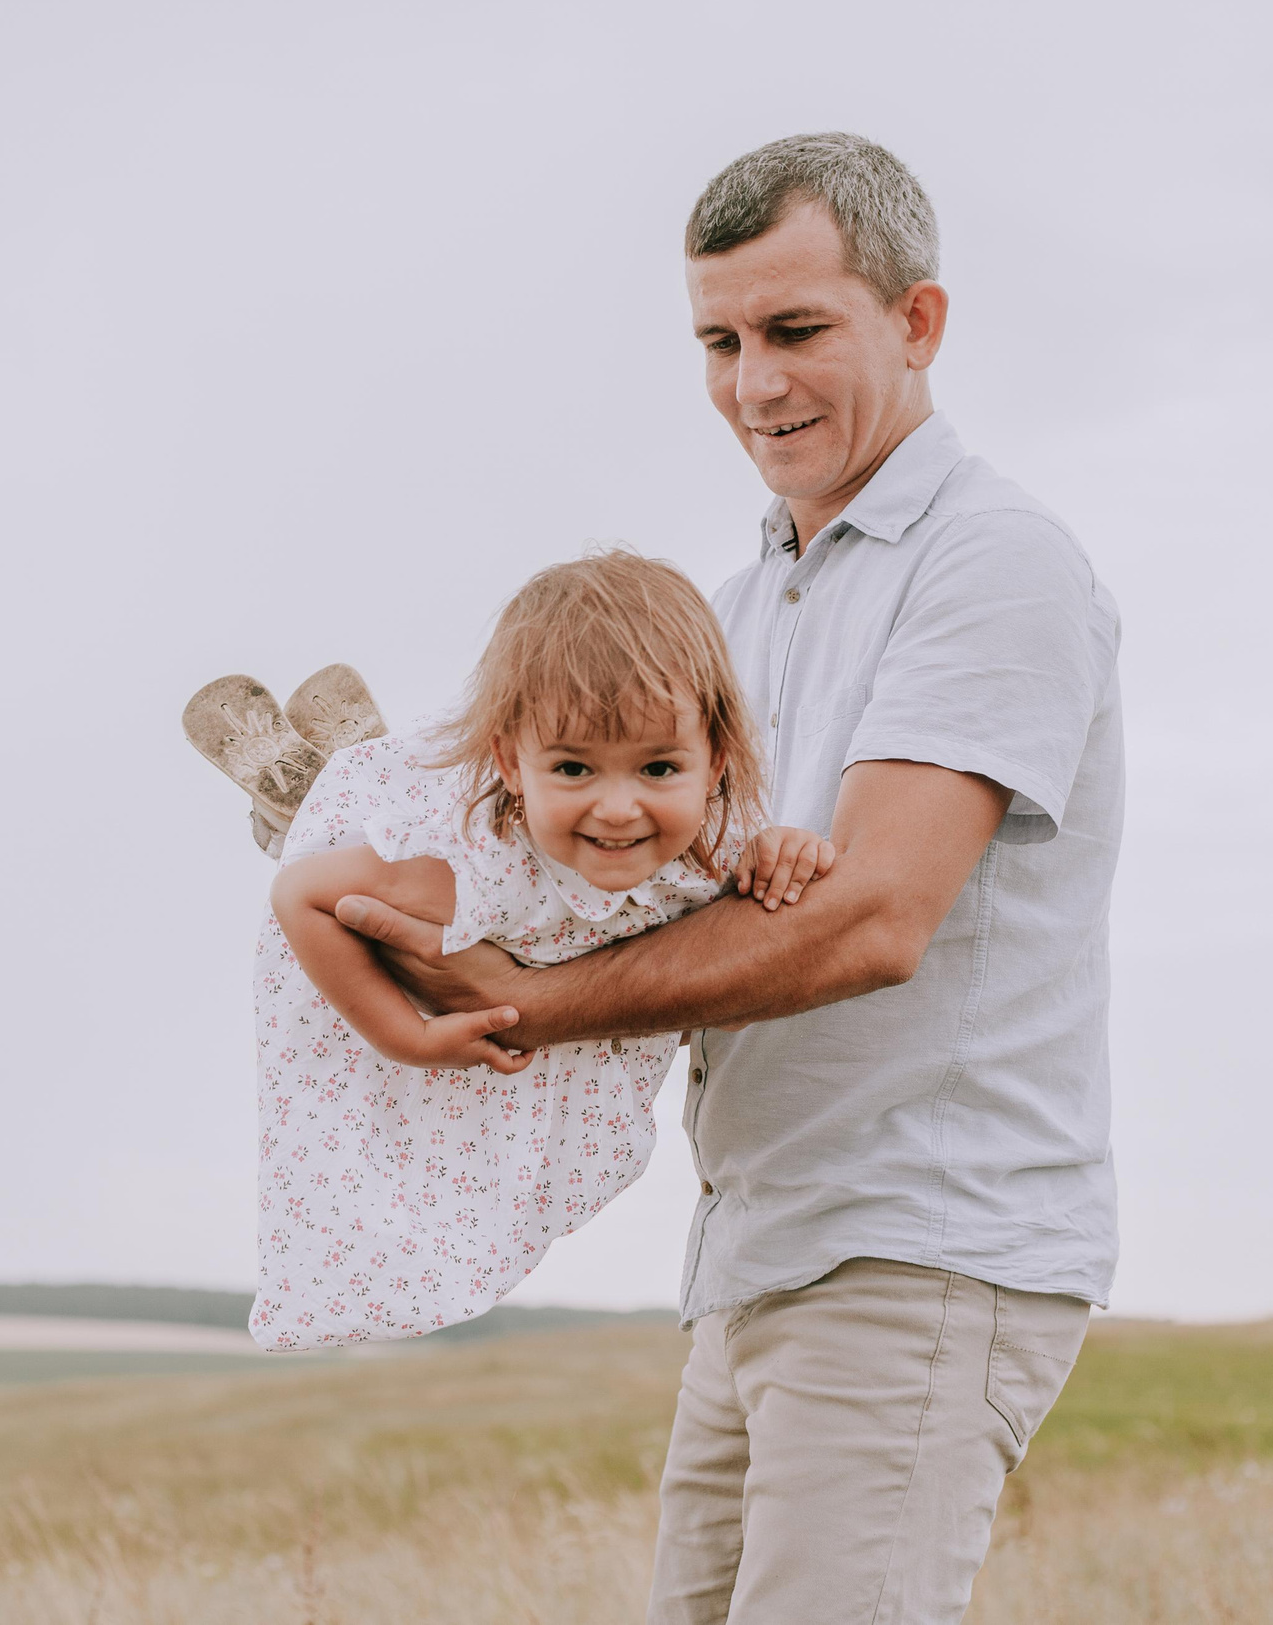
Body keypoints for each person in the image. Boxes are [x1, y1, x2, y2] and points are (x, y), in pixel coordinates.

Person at [333, 133, 1125, 1623]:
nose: (754, 383)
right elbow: (639, 888)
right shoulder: (734, 607)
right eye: (721, 340)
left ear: (919, 321)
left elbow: (879, 915)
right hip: (760, 1246)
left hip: (920, 1239)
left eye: (797, 330)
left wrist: (524, 1001)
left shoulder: (995, 560)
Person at [224, 551, 835, 1351]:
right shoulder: (473, 865)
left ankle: (348, 780)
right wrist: (404, 1037)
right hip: (463, 937)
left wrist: (779, 851)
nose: (619, 809)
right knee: (421, 1168)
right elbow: (299, 895)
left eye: (658, 767)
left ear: (716, 757)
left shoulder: (706, 843)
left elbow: (715, 953)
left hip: (559, 974)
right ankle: (332, 795)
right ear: (513, 762)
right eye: (575, 767)